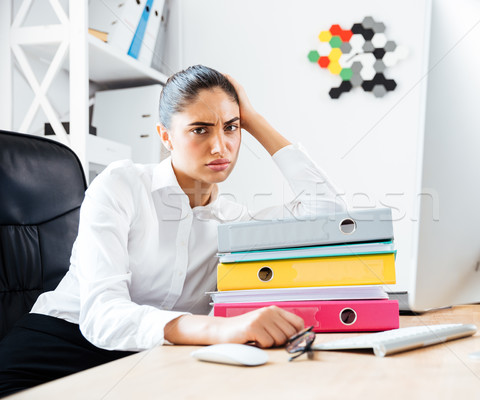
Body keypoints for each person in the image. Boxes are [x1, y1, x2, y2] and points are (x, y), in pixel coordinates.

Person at [0, 65, 345, 397]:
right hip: (53, 354)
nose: (220, 147)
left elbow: (330, 216)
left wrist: (252, 119)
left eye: (230, 128)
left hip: (149, 363)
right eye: (200, 129)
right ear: (165, 135)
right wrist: (221, 328)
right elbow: (102, 316)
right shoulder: (122, 185)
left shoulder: (234, 221)